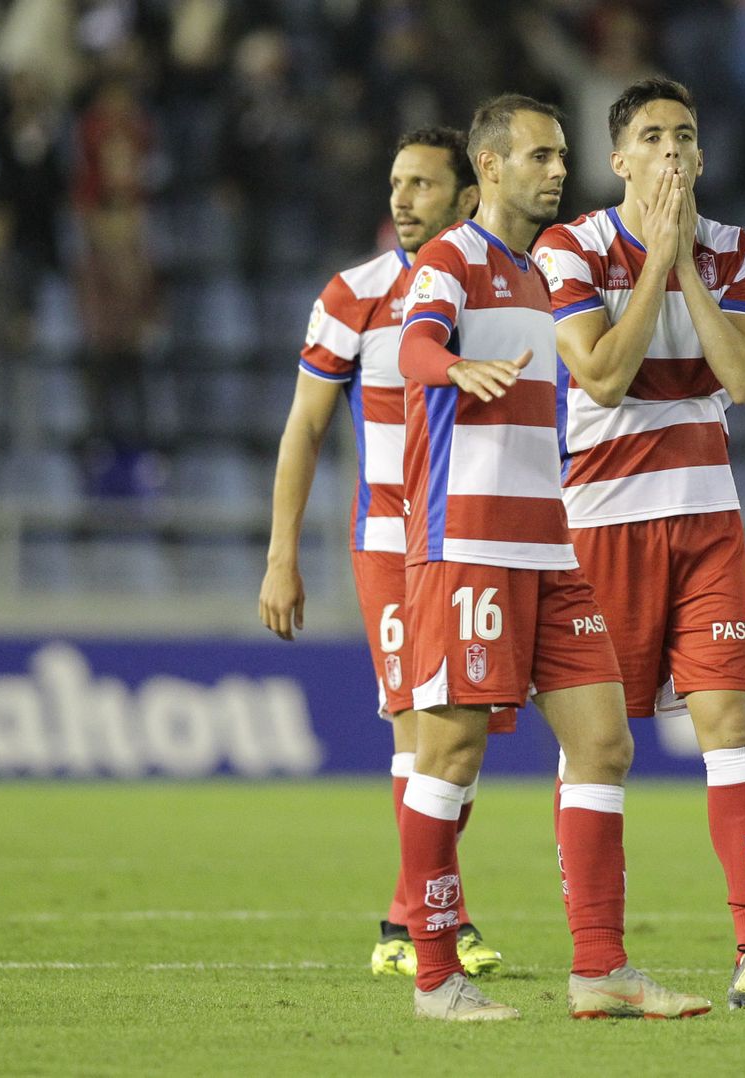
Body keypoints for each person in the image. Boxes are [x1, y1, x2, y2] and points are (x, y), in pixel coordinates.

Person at [394, 93, 709, 1022]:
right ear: (488, 167)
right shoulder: (452, 259)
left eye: (562, 156)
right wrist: (451, 369)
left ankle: (601, 970)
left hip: (550, 545)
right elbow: (415, 344)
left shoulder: (542, 275)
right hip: (468, 548)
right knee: (448, 750)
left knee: (605, 743)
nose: (557, 171)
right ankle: (435, 977)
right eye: (538, 157)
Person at [533, 76, 745, 1010]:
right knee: (599, 751)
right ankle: (599, 964)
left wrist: (685, 261)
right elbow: (603, 378)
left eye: (685, 137)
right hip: (600, 528)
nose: (670, 151)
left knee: (730, 731)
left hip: (707, 524)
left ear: (701, 158)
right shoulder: (570, 246)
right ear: (619, 160)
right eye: (651, 137)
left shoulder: (733, 249)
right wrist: (654, 258)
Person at [257, 127, 504, 980]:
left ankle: (424, 916)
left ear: (468, 198)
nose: (401, 199)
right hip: (394, 541)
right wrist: (281, 554)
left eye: (423, 186)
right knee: (419, 731)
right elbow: (306, 428)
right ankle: (420, 924)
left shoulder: (503, 290)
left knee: (462, 739)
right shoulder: (354, 295)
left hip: (480, 539)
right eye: (396, 182)